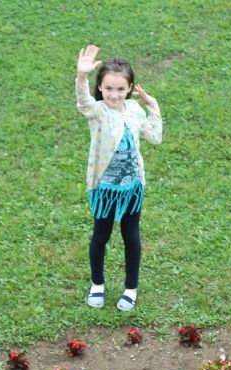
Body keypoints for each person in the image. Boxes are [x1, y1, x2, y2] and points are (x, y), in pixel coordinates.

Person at [74, 44, 161, 312]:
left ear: (131, 88)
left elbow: (155, 137)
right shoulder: (97, 111)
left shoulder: (135, 110)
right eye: (109, 88)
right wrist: (81, 76)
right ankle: (97, 285)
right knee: (101, 235)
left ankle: (130, 289)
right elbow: (83, 102)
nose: (114, 94)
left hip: (131, 188)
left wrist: (153, 106)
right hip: (105, 189)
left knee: (131, 236)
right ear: (100, 87)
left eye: (121, 89)